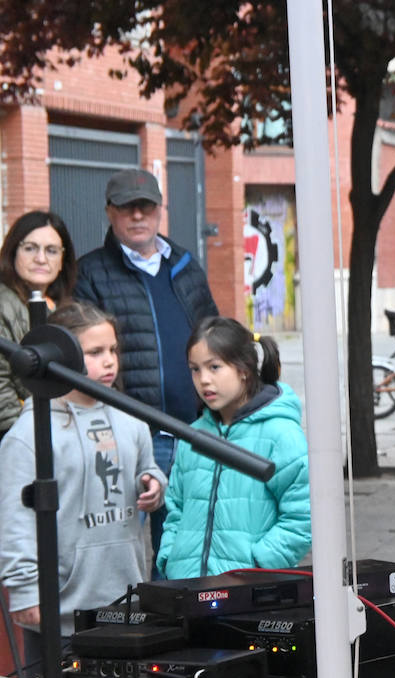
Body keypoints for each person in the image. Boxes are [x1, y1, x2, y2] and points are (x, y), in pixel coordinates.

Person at [0, 302, 165, 665]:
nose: (109, 361)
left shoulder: (131, 418)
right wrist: (26, 592)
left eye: (112, 350)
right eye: (95, 352)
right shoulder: (29, 434)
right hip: (60, 612)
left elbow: (146, 468)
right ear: (62, 356)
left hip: (125, 601)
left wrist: (153, 483)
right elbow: (14, 519)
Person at [75, 168, 219, 560]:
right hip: (134, 438)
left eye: (146, 207)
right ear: (110, 213)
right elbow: (84, 355)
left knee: (192, 547)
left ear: (160, 210)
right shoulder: (91, 273)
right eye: (127, 208)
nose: (137, 216)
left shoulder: (186, 266)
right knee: (132, 553)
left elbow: (214, 341)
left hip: (194, 432)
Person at [155, 317, 310, 580]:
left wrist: (259, 564)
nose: (204, 380)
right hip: (188, 587)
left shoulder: (281, 435)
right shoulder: (193, 435)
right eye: (195, 369)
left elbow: (303, 518)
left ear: (243, 369)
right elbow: (176, 509)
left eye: (214, 367)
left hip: (249, 592)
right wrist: (170, 556)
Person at [0, 211, 79, 440]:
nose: (41, 259)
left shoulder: (67, 308)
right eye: (30, 248)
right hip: (23, 439)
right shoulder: (4, 304)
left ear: (63, 260)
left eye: (51, 250)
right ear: (13, 251)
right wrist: (34, 436)